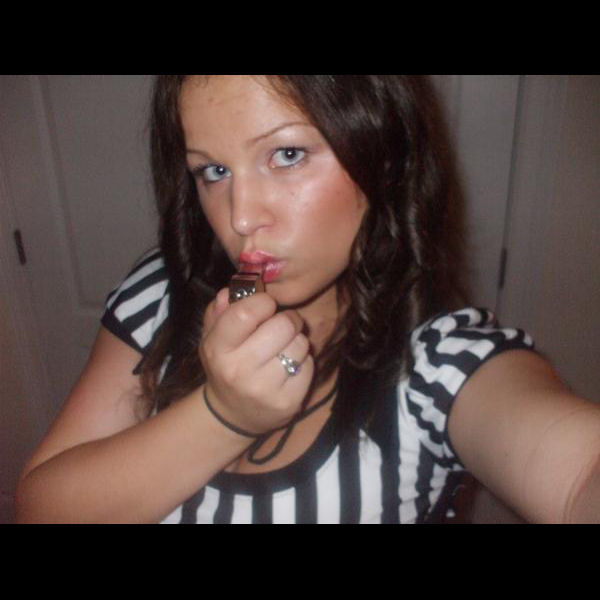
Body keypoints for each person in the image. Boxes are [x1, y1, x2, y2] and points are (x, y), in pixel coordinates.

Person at [15, 75, 600, 524]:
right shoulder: (165, 292)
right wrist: (222, 416)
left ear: (383, 153)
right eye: (213, 170)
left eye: (287, 155)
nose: (241, 217)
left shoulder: (441, 364)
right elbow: (41, 508)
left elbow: (579, 476)